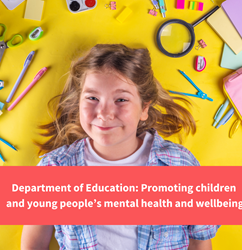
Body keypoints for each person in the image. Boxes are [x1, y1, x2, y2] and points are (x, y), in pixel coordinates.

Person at [21, 44, 219, 250]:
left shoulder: (180, 165)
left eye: (121, 99)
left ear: (144, 109)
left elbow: (200, 240)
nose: (104, 113)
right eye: (92, 98)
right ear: (78, 102)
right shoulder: (54, 169)